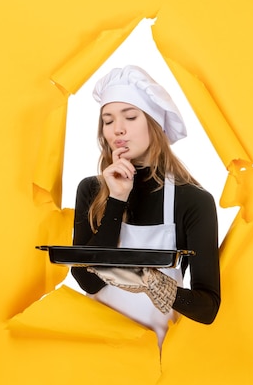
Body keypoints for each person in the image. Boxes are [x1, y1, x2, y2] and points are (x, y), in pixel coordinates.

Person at [70, 65, 220, 347]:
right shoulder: (91, 190)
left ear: (155, 122)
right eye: (108, 120)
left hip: (155, 358)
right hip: (96, 349)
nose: (118, 129)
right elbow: (88, 280)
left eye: (130, 116)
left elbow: (207, 307)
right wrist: (116, 199)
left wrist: (153, 281)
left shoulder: (193, 201)